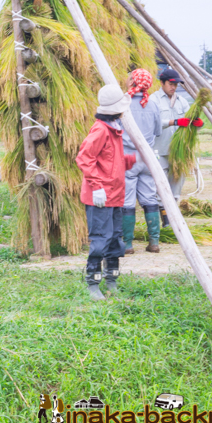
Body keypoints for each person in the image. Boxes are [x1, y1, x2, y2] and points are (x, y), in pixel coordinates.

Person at [76, 84, 136, 300]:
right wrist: (96, 186)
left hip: (115, 194)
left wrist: (137, 159)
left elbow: (112, 161)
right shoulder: (101, 130)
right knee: (101, 239)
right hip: (100, 196)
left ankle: (112, 280)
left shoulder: (114, 128)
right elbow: (84, 158)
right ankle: (93, 283)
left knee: (115, 239)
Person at [150, 69, 203, 221]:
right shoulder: (153, 100)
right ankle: (164, 218)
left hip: (179, 151)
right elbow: (153, 123)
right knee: (160, 183)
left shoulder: (182, 101)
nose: (173, 87)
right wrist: (174, 122)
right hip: (159, 149)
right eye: (171, 84)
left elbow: (189, 121)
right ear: (162, 83)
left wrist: (198, 124)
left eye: (176, 84)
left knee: (177, 181)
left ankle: (172, 216)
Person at [120, 69, 162, 254]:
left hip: (128, 157)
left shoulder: (123, 104)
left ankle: (127, 245)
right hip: (147, 158)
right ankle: (154, 242)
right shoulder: (153, 105)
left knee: (127, 200)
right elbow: (158, 131)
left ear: (132, 82)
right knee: (150, 198)